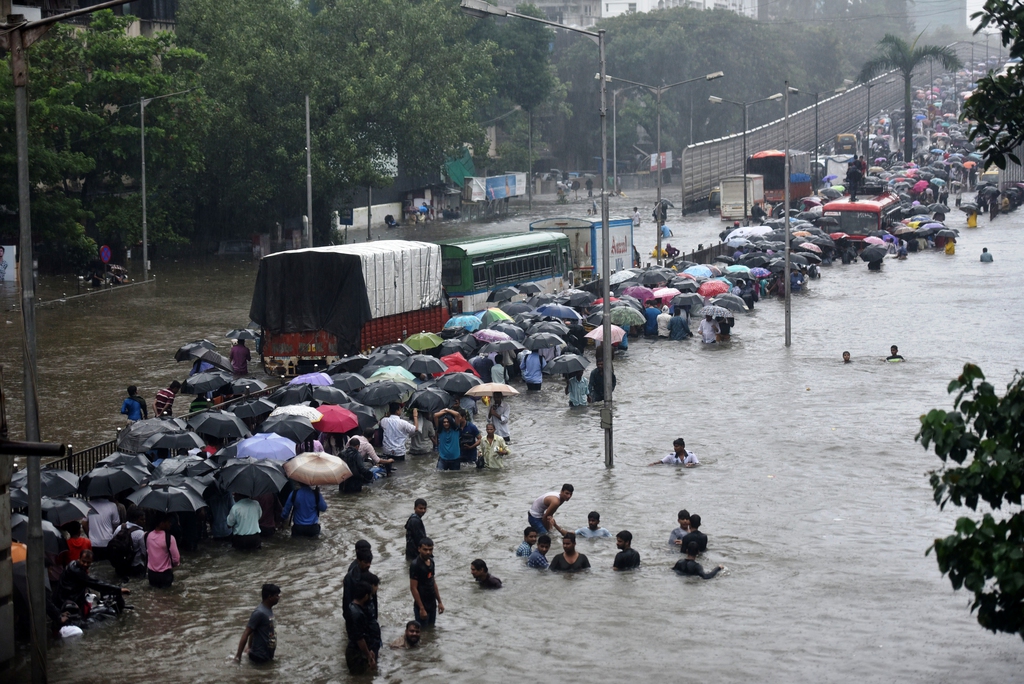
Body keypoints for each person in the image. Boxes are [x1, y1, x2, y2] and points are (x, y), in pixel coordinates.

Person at [55, 550, 130, 615]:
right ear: (79, 559)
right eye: (83, 561)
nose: (85, 564)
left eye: (88, 563)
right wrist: (118, 590)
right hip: (68, 600)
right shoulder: (77, 571)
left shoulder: (73, 564)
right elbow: (95, 584)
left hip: (63, 598)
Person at [234, 583, 280, 664]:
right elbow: (247, 632)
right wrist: (238, 657)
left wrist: (249, 647)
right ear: (270, 597)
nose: (278, 597)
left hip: (267, 655)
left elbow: (254, 630)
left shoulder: (268, 610)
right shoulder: (259, 613)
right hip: (259, 657)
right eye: (276, 595)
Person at [346, 580, 382, 673]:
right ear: (366, 596)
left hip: (358, 650)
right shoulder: (357, 614)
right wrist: (369, 657)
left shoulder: (353, 608)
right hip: (357, 654)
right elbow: (360, 639)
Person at [410, 538, 444, 626]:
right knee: (422, 631)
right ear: (419, 549)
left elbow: (433, 582)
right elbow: (413, 588)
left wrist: (439, 602)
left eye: (430, 549)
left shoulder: (431, 562)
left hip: (432, 603)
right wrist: (421, 608)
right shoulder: (415, 565)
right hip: (421, 604)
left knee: (431, 629)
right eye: (425, 549)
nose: (428, 552)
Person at [145, 513, 180, 588]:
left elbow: (147, 552)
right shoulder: (170, 538)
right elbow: (176, 559)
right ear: (161, 523)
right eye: (168, 522)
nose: (170, 524)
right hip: (165, 575)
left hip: (152, 574)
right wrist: (174, 565)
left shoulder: (147, 535)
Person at [343, 542, 373, 628]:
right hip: (357, 615)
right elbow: (347, 600)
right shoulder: (351, 577)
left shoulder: (368, 575)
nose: (368, 565)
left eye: (369, 562)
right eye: (366, 562)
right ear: (359, 561)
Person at [87, 495, 121, 562]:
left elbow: (84, 523)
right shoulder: (112, 506)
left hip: (93, 542)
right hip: (108, 541)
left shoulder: (88, 505)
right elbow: (116, 523)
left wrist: (89, 534)